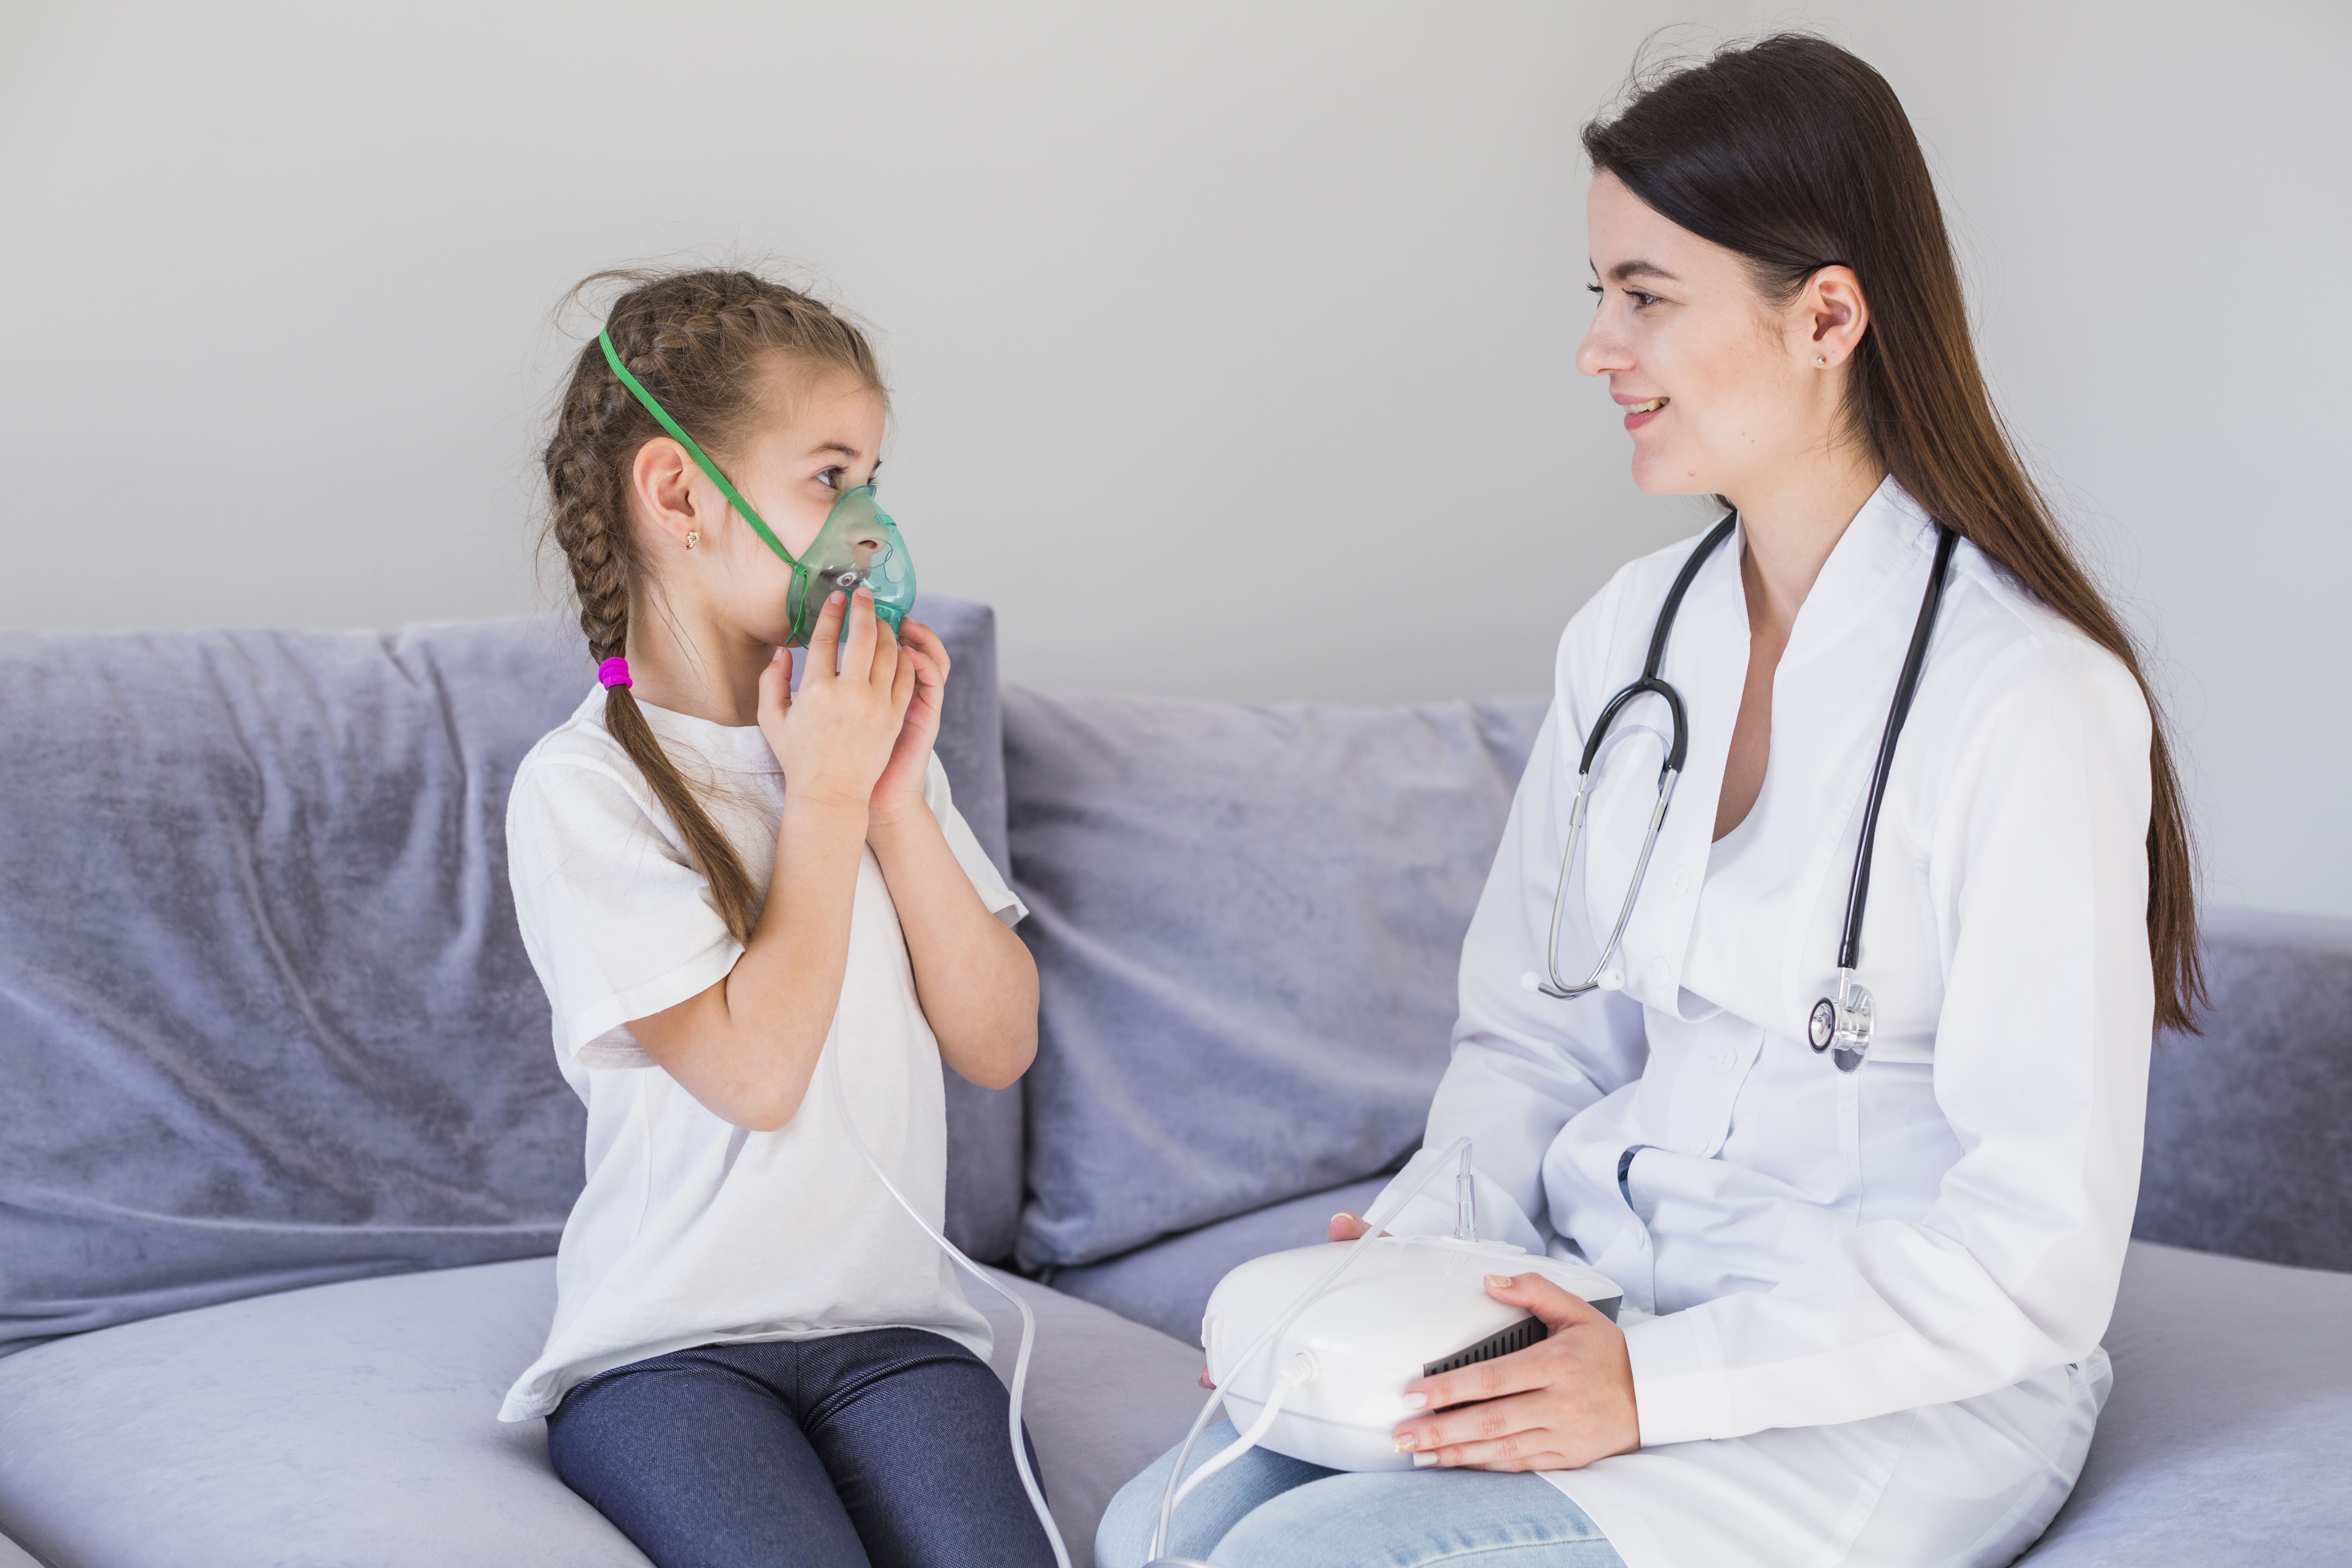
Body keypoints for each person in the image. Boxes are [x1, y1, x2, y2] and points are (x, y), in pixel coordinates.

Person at [1099, 33, 2198, 1568]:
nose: (1598, 347)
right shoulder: (1630, 639)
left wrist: (1657, 1387)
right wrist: (1417, 1257)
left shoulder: (2030, 697)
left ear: (1826, 315)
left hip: (1884, 1396)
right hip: (1609, 1304)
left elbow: (2032, 1256)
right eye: (1599, 295)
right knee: (1154, 1524)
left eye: (1647, 296)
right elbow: (1535, 1040)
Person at [497, 268, 1058, 1568]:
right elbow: (754, 1074)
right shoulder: (586, 789)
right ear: (682, 493)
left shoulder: (862, 752)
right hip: (668, 1357)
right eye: (829, 475)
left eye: (873, 476)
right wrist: (823, 795)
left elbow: (998, 1044)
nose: (868, 520)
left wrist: (898, 801)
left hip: (901, 1340)